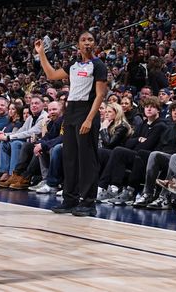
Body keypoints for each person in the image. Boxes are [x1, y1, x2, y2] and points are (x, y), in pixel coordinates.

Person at [35, 31, 108, 217]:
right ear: (78, 44)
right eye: (83, 40)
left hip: (87, 112)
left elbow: (100, 95)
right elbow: (51, 75)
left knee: (87, 159)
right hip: (71, 112)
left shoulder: (98, 65)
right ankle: (70, 199)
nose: (87, 43)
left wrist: (90, 119)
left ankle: (88, 202)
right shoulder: (73, 65)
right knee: (70, 158)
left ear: (95, 44)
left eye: (90, 40)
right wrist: (41, 53)